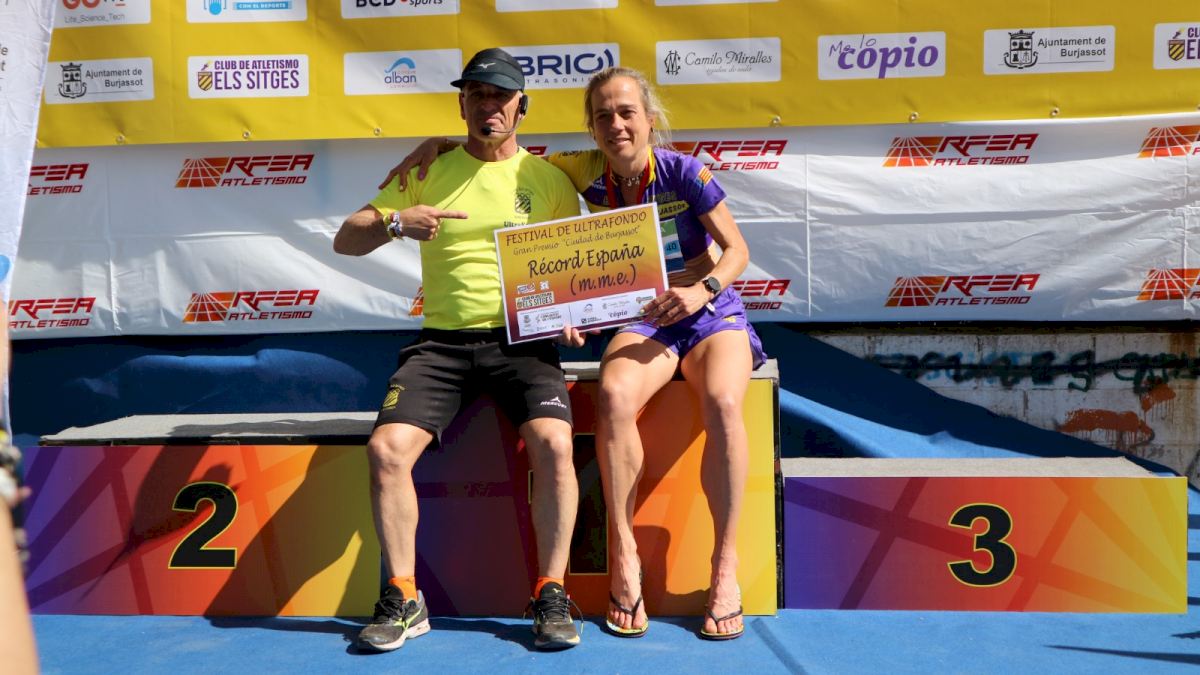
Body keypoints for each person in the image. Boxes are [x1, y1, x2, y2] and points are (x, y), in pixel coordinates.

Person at [384, 67, 766, 641]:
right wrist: (439, 143)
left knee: (724, 402)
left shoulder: (684, 172)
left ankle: (724, 565)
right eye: (603, 115)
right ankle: (624, 553)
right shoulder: (579, 170)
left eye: (627, 112)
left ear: (649, 119)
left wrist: (702, 290)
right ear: (591, 127)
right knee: (613, 394)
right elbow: (495, 148)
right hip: (650, 316)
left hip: (711, 311)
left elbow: (737, 250)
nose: (616, 125)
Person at [333, 48, 585, 652]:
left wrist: (571, 314)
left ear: (522, 106)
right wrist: (396, 223)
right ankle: (404, 596)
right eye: (477, 95)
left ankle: (551, 592)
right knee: (386, 450)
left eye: (501, 96)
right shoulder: (426, 169)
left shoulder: (549, 180)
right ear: (462, 104)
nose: (488, 106)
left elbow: (572, 273)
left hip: (522, 343)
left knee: (555, 444)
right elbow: (346, 240)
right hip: (441, 344)